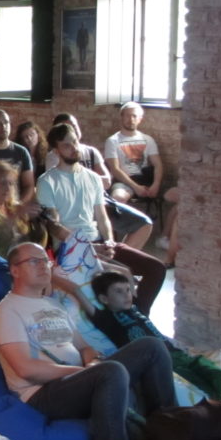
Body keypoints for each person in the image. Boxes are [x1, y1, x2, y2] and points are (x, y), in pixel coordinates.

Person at [0, 242, 175, 440]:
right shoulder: (7, 310)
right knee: (111, 371)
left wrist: (90, 363)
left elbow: (83, 346)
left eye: (45, 261)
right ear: (14, 270)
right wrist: (83, 372)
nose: (43, 266)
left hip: (79, 379)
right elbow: (26, 369)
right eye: (34, 261)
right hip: (43, 393)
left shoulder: (52, 304)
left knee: (151, 346)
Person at [89, 270, 221, 430]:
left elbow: (126, 272)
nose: (127, 295)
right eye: (118, 292)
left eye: (128, 290)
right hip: (166, 364)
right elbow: (79, 297)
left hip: (182, 356)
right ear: (104, 299)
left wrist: (106, 262)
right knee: (206, 391)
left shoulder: (138, 307)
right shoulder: (108, 320)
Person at [37, 123, 165, 315]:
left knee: (156, 269)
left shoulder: (93, 178)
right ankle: (131, 319)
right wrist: (88, 247)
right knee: (123, 275)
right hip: (70, 249)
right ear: (56, 151)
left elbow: (102, 216)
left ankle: (138, 318)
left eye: (75, 142)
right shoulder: (47, 181)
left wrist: (110, 241)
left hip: (98, 241)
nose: (74, 148)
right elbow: (54, 226)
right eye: (66, 145)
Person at [103, 101, 163, 204]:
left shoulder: (148, 139)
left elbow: (158, 165)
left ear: (140, 119)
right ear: (121, 117)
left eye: (134, 116)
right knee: (118, 197)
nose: (131, 120)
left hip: (144, 179)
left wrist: (156, 184)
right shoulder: (112, 141)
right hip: (124, 181)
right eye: (127, 116)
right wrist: (135, 187)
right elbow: (115, 169)